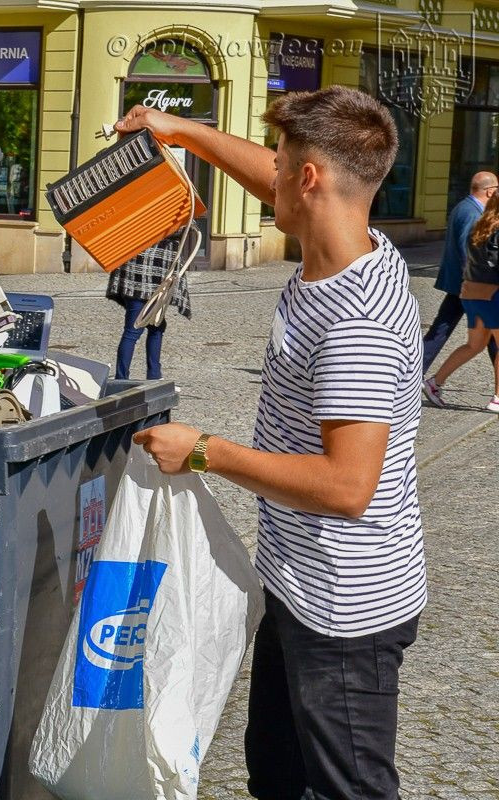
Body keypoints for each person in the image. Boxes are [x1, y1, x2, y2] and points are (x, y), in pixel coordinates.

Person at [119, 86, 425, 800]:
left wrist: (206, 451)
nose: (271, 175)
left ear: (309, 179)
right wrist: (181, 131)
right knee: (277, 775)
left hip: (343, 608)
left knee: (347, 790)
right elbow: (275, 177)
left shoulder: (357, 322)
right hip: (297, 583)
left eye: (283, 164)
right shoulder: (346, 241)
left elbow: (347, 487)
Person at [423, 190, 499, 412]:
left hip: (473, 294)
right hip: (492, 295)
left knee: (474, 345)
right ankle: (497, 398)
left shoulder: (481, 226)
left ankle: (434, 383)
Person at [106, 223, 195, 380]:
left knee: (156, 326)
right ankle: (123, 378)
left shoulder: (135, 217)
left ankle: (152, 375)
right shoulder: (170, 216)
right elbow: (186, 227)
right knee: (135, 330)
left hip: (134, 277)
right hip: (154, 280)